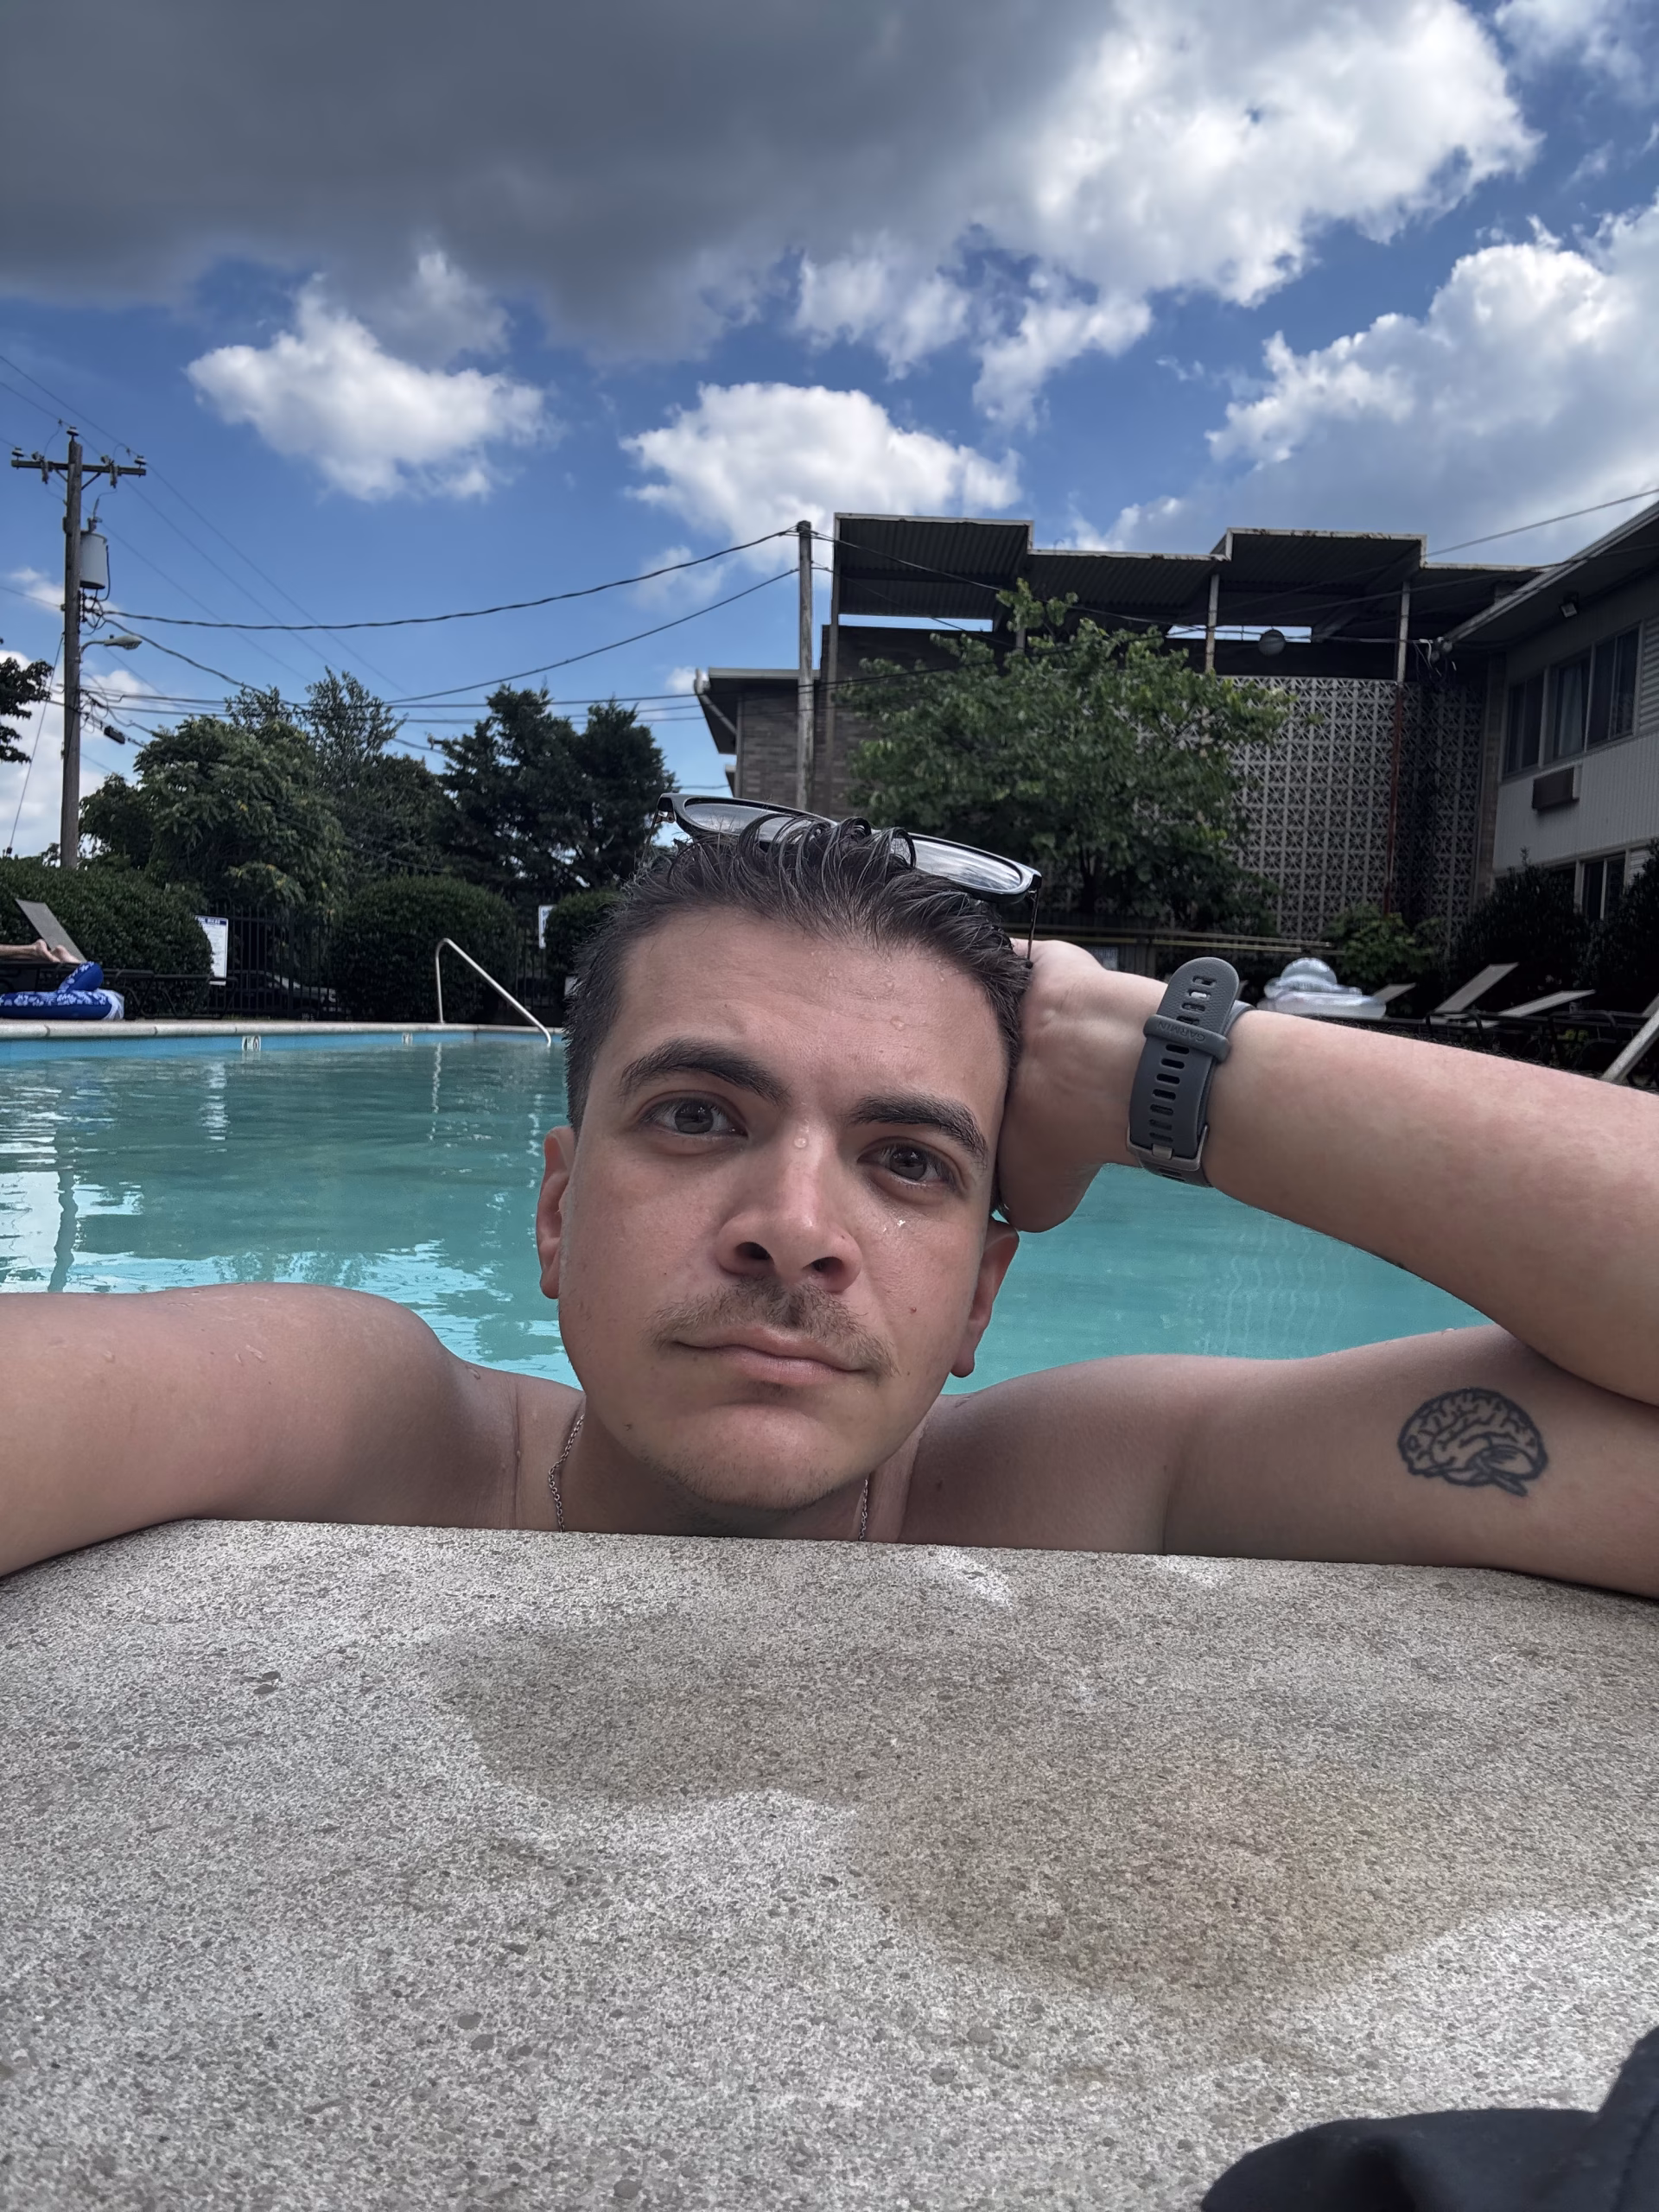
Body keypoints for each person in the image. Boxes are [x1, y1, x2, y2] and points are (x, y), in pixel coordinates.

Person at [3, 808, 1657, 1591]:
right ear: (557, 1216)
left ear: (984, 1299)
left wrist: (1148, 1061)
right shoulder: (365, 1419)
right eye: (697, 1115)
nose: (795, 1226)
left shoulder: (1094, 1483)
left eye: (909, 1160)